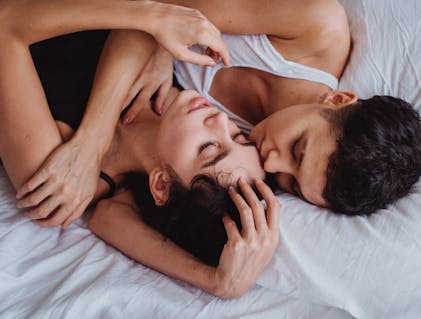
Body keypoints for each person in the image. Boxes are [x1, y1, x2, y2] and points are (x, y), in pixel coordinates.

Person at [11, 0, 421, 222]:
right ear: (338, 100)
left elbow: (120, 212)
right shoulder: (314, 30)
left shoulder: (246, 167)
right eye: (298, 148)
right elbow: (160, 12)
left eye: (288, 178)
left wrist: (222, 285)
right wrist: (92, 139)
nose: (271, 160)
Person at [0, 1, 280, 298]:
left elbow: (5, 24)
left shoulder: (53, 171)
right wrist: (93, 138)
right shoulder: (167, 76)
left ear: (161, 185)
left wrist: (217, 282)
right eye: (237, 135)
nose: (221, 119)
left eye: (209, 147)